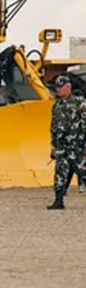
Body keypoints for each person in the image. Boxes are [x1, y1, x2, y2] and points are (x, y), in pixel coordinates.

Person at [47, 75, 86, 210]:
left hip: (77, 146)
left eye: (61, 87)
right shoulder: (56, 105)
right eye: (57, 88)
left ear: (68, 87)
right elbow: (53, 127)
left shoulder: (80, 103)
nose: (58, 90)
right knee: (60, 173)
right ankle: (58, 200)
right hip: (61, 147)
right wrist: (53, 146)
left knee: (83, 171)